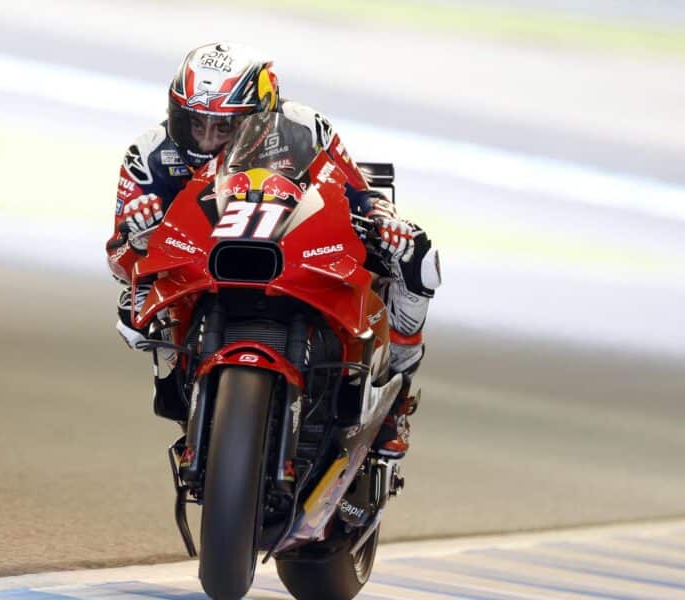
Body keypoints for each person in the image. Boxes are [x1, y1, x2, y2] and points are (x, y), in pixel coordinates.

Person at [105, 42, 441, 459]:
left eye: (224, 128)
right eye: (196, 123)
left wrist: (386, 221)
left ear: (258, 115)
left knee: (416, 256)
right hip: (199, 266)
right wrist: (138, 236)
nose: (208, 139)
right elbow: (119, 259)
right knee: (133, 311)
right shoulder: (149, 154)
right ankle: (187, 394)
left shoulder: (304, 126)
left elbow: (360, 193)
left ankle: (396, 401)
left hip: (290, 247)